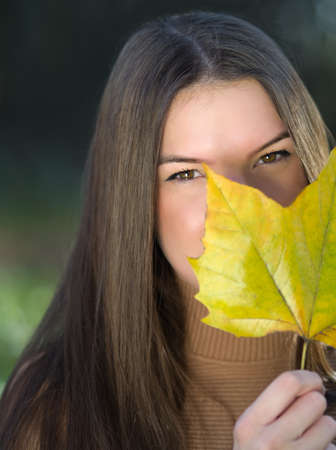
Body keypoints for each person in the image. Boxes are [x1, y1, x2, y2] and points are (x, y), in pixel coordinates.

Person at [1, 10, 336, 450]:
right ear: (134, 203)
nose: (239, 204)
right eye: (186, 175)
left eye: (272, 157)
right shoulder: (56, 409)